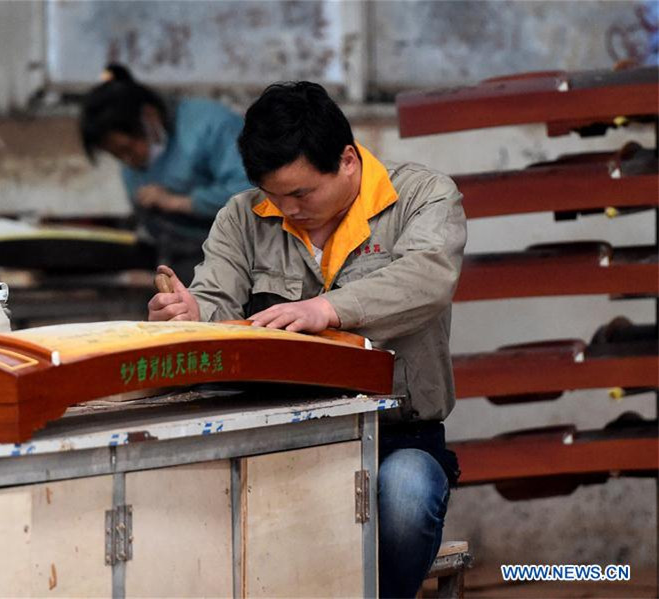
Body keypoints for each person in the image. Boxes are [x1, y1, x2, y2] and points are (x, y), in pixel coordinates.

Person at [147, 81, 467, 598]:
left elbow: (429, 278)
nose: (287, 208)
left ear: (346, 160)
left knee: (406, 497)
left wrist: (327, 309)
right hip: (274, 437)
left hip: (396, 436)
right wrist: (188, 314)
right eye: (274, 195)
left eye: (301, 193)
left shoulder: (423, 197)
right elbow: (214, 305)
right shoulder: (242, 216)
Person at [79, 64, 251, 285]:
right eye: (117, 156)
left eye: (127, 149)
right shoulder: (133, 161)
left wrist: (180, 202)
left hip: (239, 257)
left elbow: (250, 191)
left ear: (149, 117)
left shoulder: (210, 125)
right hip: (180, 260)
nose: (127, 161)